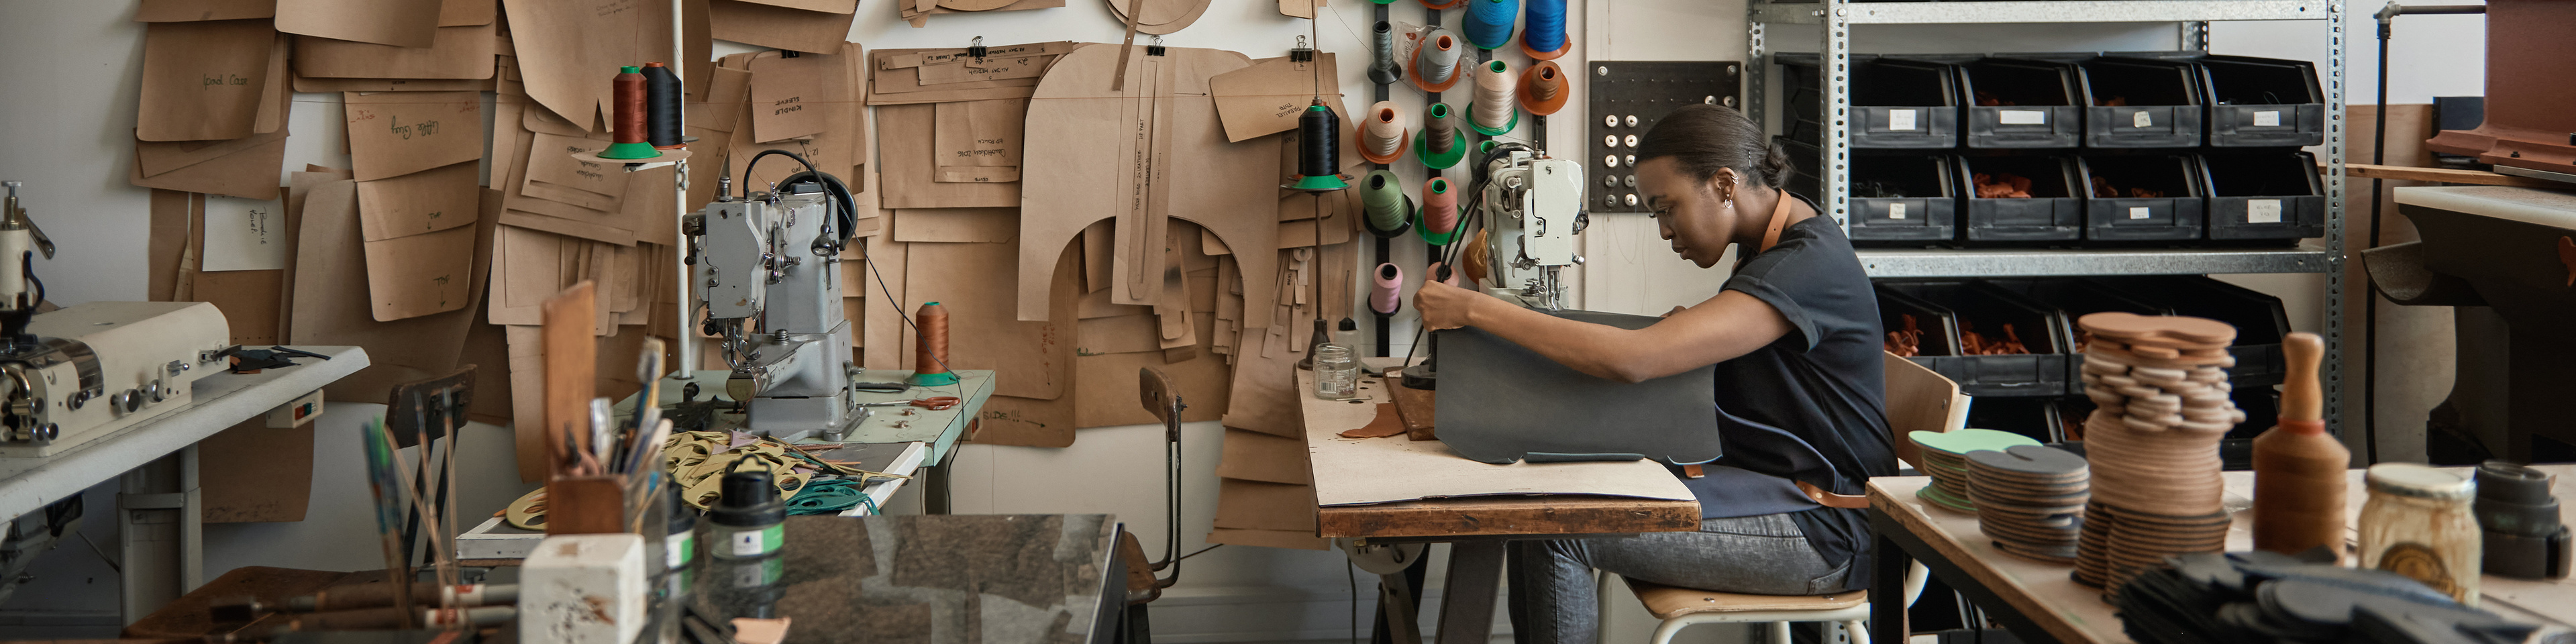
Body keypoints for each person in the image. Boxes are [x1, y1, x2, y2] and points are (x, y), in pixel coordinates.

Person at [1412, 103, 1898, 643]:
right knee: (1547, 503)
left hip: (1828, 529)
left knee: (1555, 531)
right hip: (1780, 489)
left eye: (1668, 208)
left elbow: (1634, 359)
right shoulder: (1774, 241)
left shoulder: (1800, 267)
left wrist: (1475, 311)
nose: (1665, 230)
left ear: (1723, 183)